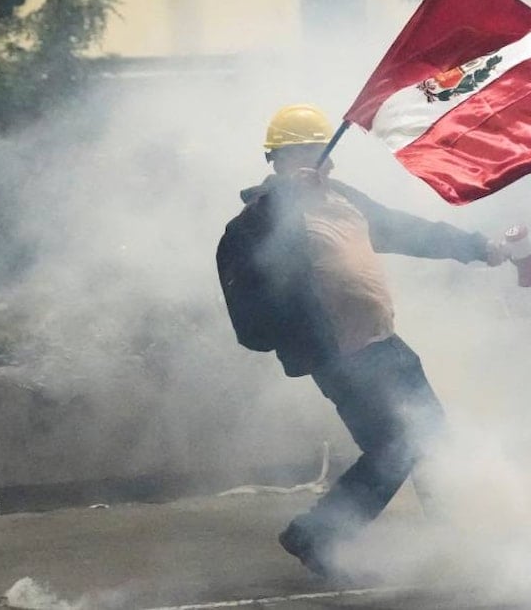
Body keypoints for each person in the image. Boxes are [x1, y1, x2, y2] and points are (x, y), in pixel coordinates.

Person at [216, 104, 507, 580]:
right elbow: (253, 274)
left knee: (424, 439)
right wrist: (285, 200)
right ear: (276, 161)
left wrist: (477, 248)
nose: (311, 161)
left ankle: (449, 537)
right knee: (401, 444)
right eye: (296, 154)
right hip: (340, 356)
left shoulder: (342, 199)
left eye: (316, 150)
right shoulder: (258, 220)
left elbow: (406, 230)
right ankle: (320, 533)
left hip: (384, 342)